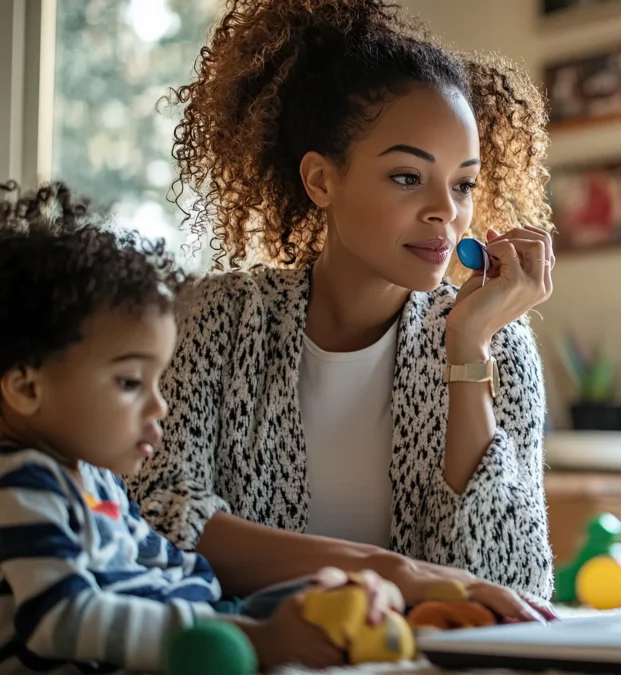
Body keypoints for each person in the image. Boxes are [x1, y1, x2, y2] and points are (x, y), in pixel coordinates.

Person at [129, 0, 558, 619]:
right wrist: (392, 574)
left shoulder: (496, 340)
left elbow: (508, 587)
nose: (446, 210)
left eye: (463, 183)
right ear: (321, 181)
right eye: (408, 177)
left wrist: (468, 350)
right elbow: (157, 521)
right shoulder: (214, 321)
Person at [0, 180, 404, 673]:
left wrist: (301, 598)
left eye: (158, 380)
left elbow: (185, 577)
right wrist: (256, 639)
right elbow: (62, 621)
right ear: (26, 388)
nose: (160, 406)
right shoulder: (21, 489)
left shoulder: (97, 482)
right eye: (130, 382)